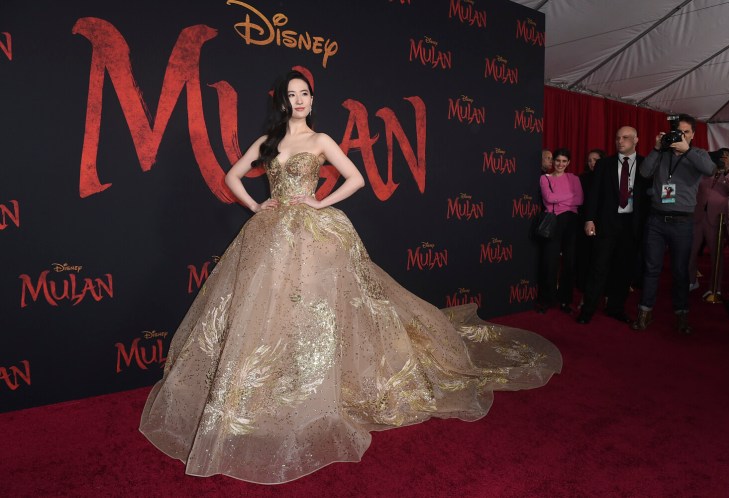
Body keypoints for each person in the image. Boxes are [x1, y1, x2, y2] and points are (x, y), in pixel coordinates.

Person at [139, 70, 562, 484]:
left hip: (312, 235)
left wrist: (320, 203)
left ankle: (314, 389)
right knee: (270, 312)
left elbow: (356, 178)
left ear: (311, 99)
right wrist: (255, 206)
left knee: (315, 310)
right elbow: (232, 175)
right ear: (281, 101)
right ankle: (272, 389)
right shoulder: (268, 142)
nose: (300, 100)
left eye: (305, 93)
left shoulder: (321, 141)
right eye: (292, 94)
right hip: (269, 236)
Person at [633, 114, 716, 334]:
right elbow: (644, 172)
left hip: (682, 223)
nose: (681, 135)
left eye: (686, 132)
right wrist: (657, 148)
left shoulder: (698, 154)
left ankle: (681, 315)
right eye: (678, 131)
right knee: (651, 268)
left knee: (680, 271)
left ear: (693, 135)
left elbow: (709, 170)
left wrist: (686, 149)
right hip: (656, 220)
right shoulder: (663, 153)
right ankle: (645, 312)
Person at [577, 128, 649, 325]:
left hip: (631, 225)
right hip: (607, 223)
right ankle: (588, 309)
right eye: (617, 137)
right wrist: (589, 219)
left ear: (636, 140)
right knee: (598, 267)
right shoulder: (604, 164)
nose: (620, 141)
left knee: (624, 269)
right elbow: (594, 194)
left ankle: (615, 308)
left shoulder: (645, 165)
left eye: (625, 138)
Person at [688, 148, 729, 298]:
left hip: (716, 222)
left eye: (725, 158)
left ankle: (715, 287)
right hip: (697, 218)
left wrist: (726, 171)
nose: (721, 160)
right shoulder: (704, 173)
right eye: (720, 157)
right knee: (690, 252)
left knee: (716, 257)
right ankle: (691, 281)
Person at [536, 148, 583, 314]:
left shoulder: (574, 178)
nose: (560, 164)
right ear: (553, 161)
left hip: (571, 221)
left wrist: (562, 196)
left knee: (569, 262)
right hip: (554, 222)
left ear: (568, 163)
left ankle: (565, 300)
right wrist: (569, 196)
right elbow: (549, 199)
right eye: (557, 161)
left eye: (564, 161)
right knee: (550, 262)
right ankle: (546, 300)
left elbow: (580, 199)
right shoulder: (544, 178)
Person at [575, 149, 606, 301]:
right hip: (584, 220)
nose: (592, 163)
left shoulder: (609, 176)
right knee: (584, 254)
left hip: (604, 222)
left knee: (599, 256)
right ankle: (582, 283)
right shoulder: (583, 178)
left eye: (595, 160)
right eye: (589, 160)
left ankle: (599, 285)